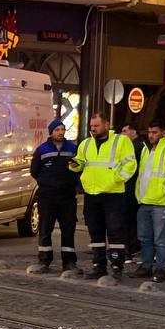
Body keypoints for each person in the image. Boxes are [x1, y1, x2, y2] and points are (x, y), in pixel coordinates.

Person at [70, 113, 136, 281]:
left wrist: (115, 179)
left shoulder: (121, 141)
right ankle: (98, 265)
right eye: (91, 126)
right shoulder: (85, 144)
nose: (93, 129)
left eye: (96, 126)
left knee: (115, 232)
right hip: (92, 194)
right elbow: (81, 163)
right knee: (95, 232)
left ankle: (116, 266)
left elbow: (130, 164)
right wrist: (75, 166)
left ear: (106, 125)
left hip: (113, 194)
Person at [130, 120, 165, 283]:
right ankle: (146, 266)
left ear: (164, 133)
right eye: (150, 132)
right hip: (145, 201)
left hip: (161, 202)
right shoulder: (148, 150)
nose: (151, 135)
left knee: (160, 239)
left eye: (155, 132)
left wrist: (164, 191)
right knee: (145, 237)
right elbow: (143, 175)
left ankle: (161, 268)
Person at [29, 119, 80, 273]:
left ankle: (69, 261)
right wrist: (46, 182)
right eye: (57, 129)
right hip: (47, 195)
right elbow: (34, 170)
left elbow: (79, 167)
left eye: (62, 129)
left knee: (68, 228)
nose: (60, 132)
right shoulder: (42, 150)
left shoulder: (72, 148)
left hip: (67, 195)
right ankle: (44, 260)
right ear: (51, 132)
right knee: (45, 228)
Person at [120, 124, 146, 260]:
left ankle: (128, 248)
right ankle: (132, 247)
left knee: (128, 219)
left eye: (125, 131)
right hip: (136, 188)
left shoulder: (135, 146)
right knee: (133, 220)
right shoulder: (141, 145)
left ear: (133, 131)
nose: (122, 134)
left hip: (131, 187)